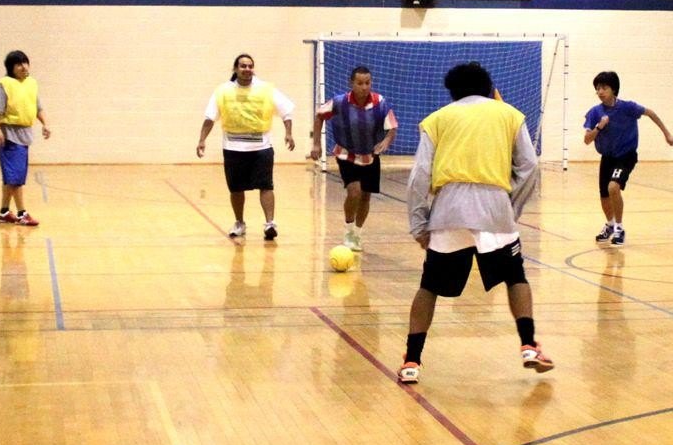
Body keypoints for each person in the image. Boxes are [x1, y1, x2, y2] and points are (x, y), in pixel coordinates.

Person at [399, 62, 553, 384]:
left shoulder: (437, 119)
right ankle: (528, 345)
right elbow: (529, 166)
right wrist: (510, 207)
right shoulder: (510, 114)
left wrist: (419, 223)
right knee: (515, 276)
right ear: (488, 86)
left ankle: (412, 361)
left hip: (449, 209)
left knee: (429, 287)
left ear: (452, 91)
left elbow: (419, 176)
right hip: (495, 207)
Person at [196, 53, 295, 240]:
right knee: (236, 188)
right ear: (235, 69)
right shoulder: (223, 91)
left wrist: (288, 133)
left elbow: (286, 112)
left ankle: (270, 224)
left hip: (261, 148)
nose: (247, 69)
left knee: (266, 185)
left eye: (250, 66)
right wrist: (202, 140)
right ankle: (239, 223)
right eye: (243, 66)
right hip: (233, 149)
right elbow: (210, 118)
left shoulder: (266, 89)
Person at [309, 65, 398, 251]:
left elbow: (392, 126)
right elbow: (319, 116)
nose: (364, 87)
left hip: (370, 156)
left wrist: (386, 141)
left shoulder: (380, 102)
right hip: (346, 154)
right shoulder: (339, 102)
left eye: (367, 83)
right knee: (354, 192)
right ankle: (348, 230)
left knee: (365, 196)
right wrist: (316, 144)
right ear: (351, 83)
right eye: (360, 83)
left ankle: (357, 233)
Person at [582, 71, 673, 245]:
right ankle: (610, 225)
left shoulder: (628, 107)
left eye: (604, 88)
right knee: (604, 195)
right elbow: (587, 140)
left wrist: (667, 134)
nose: (600, 92)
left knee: (613, 187)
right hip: (607, 157)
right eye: (597, 88)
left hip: (626, 156)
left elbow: (651, 113)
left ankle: (619, 228)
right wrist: (599, 127)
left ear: (614, 89)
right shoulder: (595, 112)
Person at [0, 49, 51, 226]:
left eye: (25, 62)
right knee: (15, 177)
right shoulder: (4, 84)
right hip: (9, 135)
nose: (23, 67)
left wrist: (45, 124)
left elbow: (38, 107)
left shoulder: (31, 83)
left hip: (25, 134)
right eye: (18, 64)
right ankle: (22, 213)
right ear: (11, 68)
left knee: (12, 176)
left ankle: (4, 212)